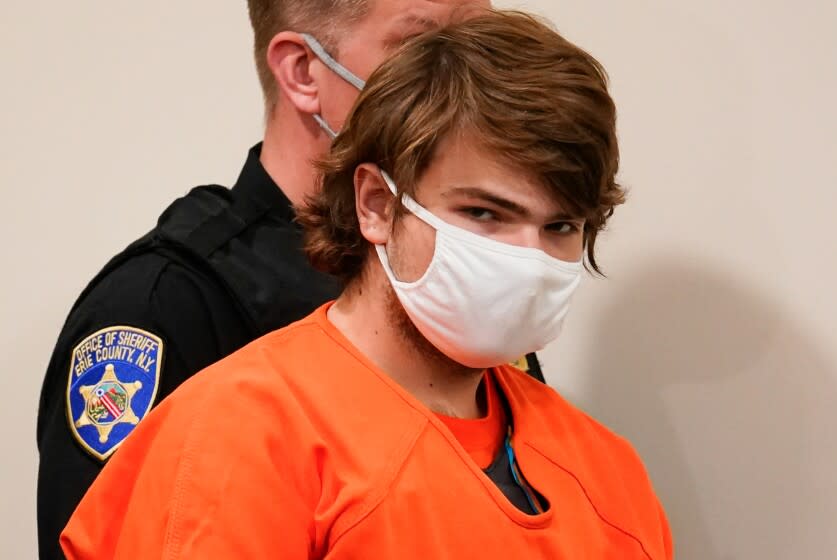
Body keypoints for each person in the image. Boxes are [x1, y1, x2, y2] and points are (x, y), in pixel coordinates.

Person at [60, 10, 672, 559]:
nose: (526, 258)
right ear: (377, 203)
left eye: (561, 226)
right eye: (484, 214)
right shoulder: (238, 436)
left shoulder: (605, 472)